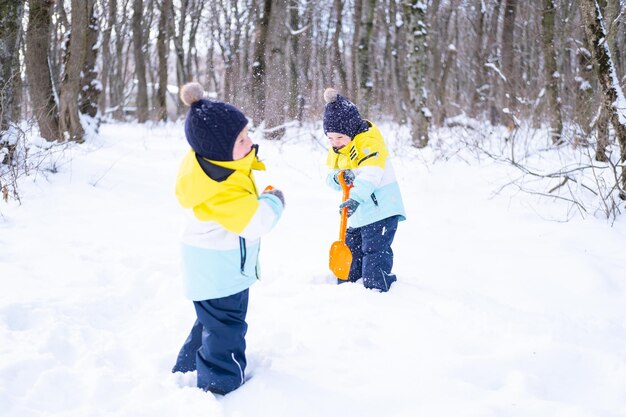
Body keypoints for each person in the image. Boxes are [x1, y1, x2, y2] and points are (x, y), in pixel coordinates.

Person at [172, 82, 285, 395]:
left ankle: (188, 366)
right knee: (226, 330)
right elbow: (255, 222)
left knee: (211, 322)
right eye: (242, 139)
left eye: (247, 134)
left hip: (209, 269)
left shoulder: (209, 165)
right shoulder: (220, 187)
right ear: (220, 148)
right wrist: (274, 200)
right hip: (221, 272)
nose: (250, 141)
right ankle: (220, 387)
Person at [323, 88, 406, 292]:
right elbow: (330, 177)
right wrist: (339, 177)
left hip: (380, 212)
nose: (335, 144)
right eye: (330, 138)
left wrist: (355, 198)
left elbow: (370, 176)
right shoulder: (338, 149)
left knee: (374, 259)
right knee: (351, 265)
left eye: (339, 138)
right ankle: (348, 293)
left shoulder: (369, 143)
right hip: (358, 215)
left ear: (351, 130)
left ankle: (381, 291)